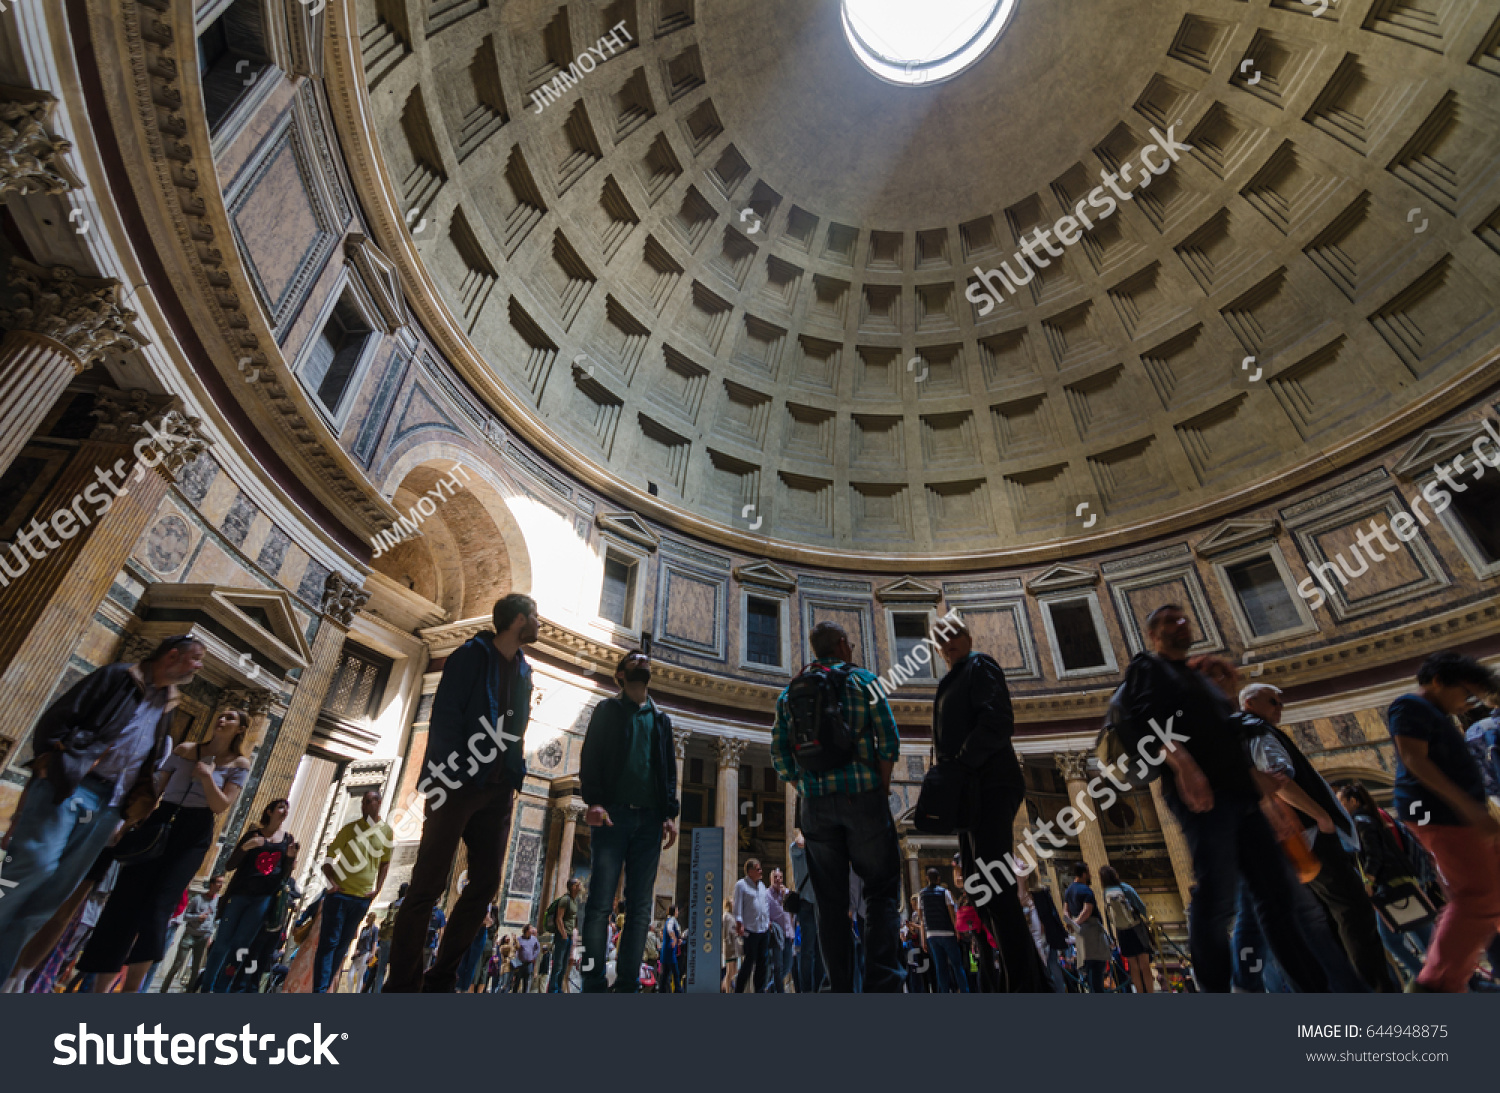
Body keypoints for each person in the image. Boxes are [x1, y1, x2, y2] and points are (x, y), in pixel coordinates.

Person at [1118, 605, 1327, 993]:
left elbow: (1225, 740)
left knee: (1276, 897)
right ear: (1152, 635)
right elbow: (1145, 721)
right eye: (1168, 621)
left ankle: (1314, 991)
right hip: (1204, 798)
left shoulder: (1199, 682)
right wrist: (1183, 764)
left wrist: (1267, 798)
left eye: (1183, 617)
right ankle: (1214, 990)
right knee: (1216, 897)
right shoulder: (1147, 668)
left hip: (1242, 798)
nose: (1180, 624)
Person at [0, 635, 204, 986]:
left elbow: (146, 762)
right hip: (73, 786)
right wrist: (54, 762)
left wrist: (127, 813)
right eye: (195, 658)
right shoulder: (117, 677)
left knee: (51, 895)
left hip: (109, 806)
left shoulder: (166, 706)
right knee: (34, 866)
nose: (199, 666)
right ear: (173, 654)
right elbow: (59, 718)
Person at [385, 593, 539, 992]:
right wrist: (442, 776)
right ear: (517, 620)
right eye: (534, 616)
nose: (540, 623)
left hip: (497, 788)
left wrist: (513, 775)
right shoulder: (470, 655)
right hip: (456, 783)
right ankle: (402, 984)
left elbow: (516, 731)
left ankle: (440, 978)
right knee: (426, 887)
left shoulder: (524, 671)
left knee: (486, 883)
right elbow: (447, 716)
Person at [75, 706, 252, 993]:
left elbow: (221, 806)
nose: (222, 719)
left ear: (241, 729)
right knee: (124, 901)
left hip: (195, 829)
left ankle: (132, 990)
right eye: (220, 714)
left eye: (230, 718)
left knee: (159, 907)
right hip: (161, 819)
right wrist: (128, 824)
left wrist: (207, 776)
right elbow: (156, 790)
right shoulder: (184, 749)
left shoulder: (239, 764)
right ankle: (100, 988)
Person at [770, 622, 903, 992]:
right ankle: (883, 986)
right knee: (880, 892)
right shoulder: (865, 682)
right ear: (844, 645)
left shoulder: (789, 694)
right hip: (864, 800)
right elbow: (889, 741)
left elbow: (779, 758)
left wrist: (807, 786)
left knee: (829, 903)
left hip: (816, 808)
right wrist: (880, 786)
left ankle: (839, 990)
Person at [1235, 683, 1394, 992]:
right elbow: (1278, 778)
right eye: (1273, 702)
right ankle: (1375, 989)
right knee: (1353, 912)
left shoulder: (1244, 733)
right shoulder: (1256, 730)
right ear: (1251, 702)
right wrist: (1321, 816)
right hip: (1310, 834)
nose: (1280, 709)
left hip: (1297, 839)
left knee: (1331, 918)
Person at [932, 619, 1051, 992]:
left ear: (967, 637)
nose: (947, 643)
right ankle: (1035, 983)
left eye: (953, 635)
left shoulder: (980, 666)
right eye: (940, 639)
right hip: (969, 792)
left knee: (995, 888)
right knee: (981, 887)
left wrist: (960, 764)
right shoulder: (954, 678)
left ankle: (1024, 987)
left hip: (989, 784)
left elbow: (997, 721)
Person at [1385, 652, 1500, 992]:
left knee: (1490, 892)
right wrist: (1469, 809)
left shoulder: (1434, 712)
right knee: (1477, 896)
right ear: (1438, 681)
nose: (1467, 703)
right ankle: (1436, 986)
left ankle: (1453, 978)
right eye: (1465, 693)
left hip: (1453, 814)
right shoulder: (1409, 706)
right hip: (1439, 814)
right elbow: (1413, 760)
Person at [578, 650, 680, 993]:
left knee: (639, 908)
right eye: (634, 660)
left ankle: (627, 984)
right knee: (598, 904)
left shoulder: (661, 720)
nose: (642, 661)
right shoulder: (607, 711)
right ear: (619, 674)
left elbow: (668, 773)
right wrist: (592, 800)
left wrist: (669, 814)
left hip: (650, 821)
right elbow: (590, 756)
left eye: (645, 660)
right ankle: (592, 980)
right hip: (612, 816)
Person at [1334, 780, 1435, 986]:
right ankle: (1436, 979)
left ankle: (1429, 980)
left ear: (1353, 801)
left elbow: (1373, 854)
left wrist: (1368, 880)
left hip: (1390, 884)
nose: (1340, 808)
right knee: (1422, 936)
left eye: (1341, 802)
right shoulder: (1371, 818)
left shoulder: (1361, 821)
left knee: (1398, 940)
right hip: (1399, 881)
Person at [198, 798, 298, 991]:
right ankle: (206, 986)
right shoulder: (253, 834)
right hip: (240, 895)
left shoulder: (287, 840)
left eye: (286, 808)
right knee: (223, 943)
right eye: (280, 807)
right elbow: (230, 865)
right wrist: (246, 847)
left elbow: (284, 875)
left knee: (241, 946)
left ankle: (222, 988)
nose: (284, 811)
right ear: (269, 812)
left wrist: (290, 859)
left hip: (262, 900)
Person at [313, 788, 393, 992]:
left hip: (361, 899)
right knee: (329, 943)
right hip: (339, 895)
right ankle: (320, 990)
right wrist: (331, 882)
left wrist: (378, 889)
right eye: (364, 802)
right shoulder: (350, 829)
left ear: (379, 803)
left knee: (343, 945)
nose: (365, 805)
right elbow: (329, 857)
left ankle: (325, 986)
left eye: (369, 801)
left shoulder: (386, 832)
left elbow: (385, 863)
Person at [159, 874, 222, 992]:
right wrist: (197, 917)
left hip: (203, 937)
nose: (220, 886)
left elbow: (213, 920)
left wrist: (209, 935)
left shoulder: (218, 901)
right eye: (218, 882)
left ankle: (190, 992)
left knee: (195, 968)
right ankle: (163, 990)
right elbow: (186, 916)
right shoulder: (198, 899)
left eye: (222, 883)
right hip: (189, 935)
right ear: (212, 884)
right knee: (177, 965)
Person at [1097, 865, 1153, 992]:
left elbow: (1108, 914)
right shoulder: (1125, 888)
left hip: (1121, 931)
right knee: (1144, 965)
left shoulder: (1106, 893)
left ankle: (1139, 992)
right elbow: (1141, 906)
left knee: (1133, 965)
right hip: (1136, 928)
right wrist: (1145, 919)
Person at [917, 866, 967, 993]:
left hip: (931, 934)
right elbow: (952, 913)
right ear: (938, 879)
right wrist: (957, 931)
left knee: (940, 967)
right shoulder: (944, 892)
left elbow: (922, 919)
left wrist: (923, 939)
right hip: (947, 933)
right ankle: (965, 991)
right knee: (957, 965)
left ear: (927, 878)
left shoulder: (921, 895)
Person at [1063, 863, 1111, 992]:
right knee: (1097, 968)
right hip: (1092, 933)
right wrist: (1076, 923)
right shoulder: (1085, 890)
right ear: (1084, 874)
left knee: (1089, 969)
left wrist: (1072, 924)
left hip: (1080, 935)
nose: (1090, 876)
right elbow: (1087, 911)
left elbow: (1065, 912)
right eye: (1089, 873)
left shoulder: (1068, 890)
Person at [787, 832, 822, 992]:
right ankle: (806, 991)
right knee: (807, 951)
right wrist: (804, 836)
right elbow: (796, 844)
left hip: (821, 905)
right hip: (806, 904)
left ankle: (819, 988)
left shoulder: (819, 852)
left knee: (820, 950)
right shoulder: (798, 852)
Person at [732, 858, 771, 991]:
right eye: (758, 869)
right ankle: (739, 990)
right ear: (750, 871)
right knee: (749, 962)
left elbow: (765, 905)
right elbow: (737, 906)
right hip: (750, 930)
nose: (761, 871)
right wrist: (739, 922)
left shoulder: (762, 886)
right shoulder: (741, 885)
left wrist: (768, 920)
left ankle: (759, 991)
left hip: (763, 929)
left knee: (763, 963)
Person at [367, 882, 405, 993]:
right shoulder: (406, 905)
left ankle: (377, 992)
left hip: (385, 938)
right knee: (395, 970)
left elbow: (386, 920)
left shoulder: (393, 904)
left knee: (381, 969)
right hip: (397, 939)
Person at [545, 878, 582, 992]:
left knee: (564, 966)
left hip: (569, 936)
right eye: (578, 885)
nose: (580, 887)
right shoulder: (565, 900)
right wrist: (563, 933)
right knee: (558, 965)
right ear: (572, 887)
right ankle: (553, 990)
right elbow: (559, 918)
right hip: (563, 936)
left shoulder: (573, 901)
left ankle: (559, 989)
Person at [765, 869, 793, 992]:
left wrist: (785, 896)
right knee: (778, 966)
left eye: (780, 877)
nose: (778, 879)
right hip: (776, 935)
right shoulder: (766, 894)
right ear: (770, 879)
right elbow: (764, 912)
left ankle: (770, 987)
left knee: (788, 965)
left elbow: (791, 911)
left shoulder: (786, 892)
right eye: (775, 877)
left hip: (788, 934)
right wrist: (768, 924)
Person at [510, 924, 540, 992]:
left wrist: (534, 956)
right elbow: (513, 948)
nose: (532, 930)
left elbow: (538, 948)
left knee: (526, 982)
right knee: (517, 981)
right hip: (520, 963)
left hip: (528, 963)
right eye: (531, 928)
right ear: (526, 930)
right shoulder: (519, 939)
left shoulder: (534, 939)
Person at [661, 904, 683, 993]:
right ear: (674, 912)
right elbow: (670, 929)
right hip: (670, 951)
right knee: (676, 973)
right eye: (677, 910)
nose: (678, 912)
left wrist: (677, 940)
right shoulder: (672, 920)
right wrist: (674, 939)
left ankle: (662, 991)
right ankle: (678, 990)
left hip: (667, 950)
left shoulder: (669, 920)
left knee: (665, 974)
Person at [721, 899, 739, 990]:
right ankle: (727, 989)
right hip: (730, 947)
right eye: (733, 902)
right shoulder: (726, 917)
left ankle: (724, 984)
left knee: (735, 970)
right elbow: (726, 933)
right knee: (729, 970)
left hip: (734, 946)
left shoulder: (731, 916)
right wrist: (728, 943)